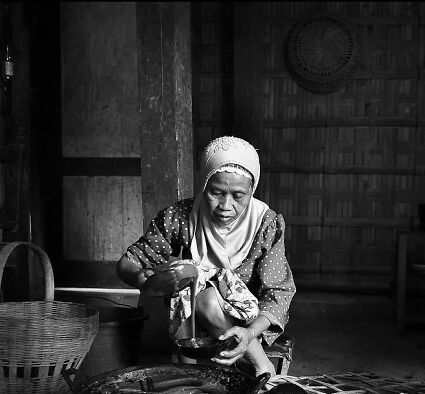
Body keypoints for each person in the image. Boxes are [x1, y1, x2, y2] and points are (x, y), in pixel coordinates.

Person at [116, 135, 296, 377]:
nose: (225, 205)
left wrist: (250, 333)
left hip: (246, 322)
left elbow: (278, 294)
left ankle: (259, 362)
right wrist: (141, 278)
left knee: (208, 299)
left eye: (238, 195)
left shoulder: (266, 223)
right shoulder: (182, 216)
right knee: (194, 290)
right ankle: (189, 378)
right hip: (192, 321)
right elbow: (128, 262)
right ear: (204, 184)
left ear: (251, 191)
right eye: (216, 192)